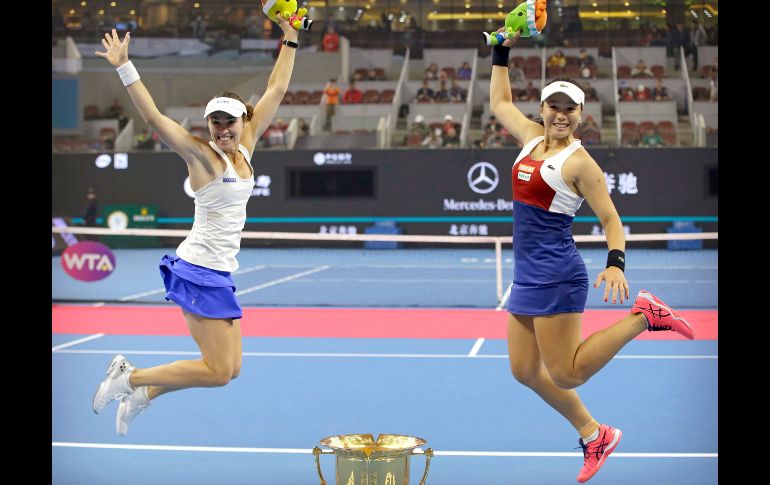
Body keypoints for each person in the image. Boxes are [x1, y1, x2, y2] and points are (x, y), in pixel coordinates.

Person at [489, 31, 695, 483]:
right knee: (524, 370)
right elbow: (500, 103)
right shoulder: (530, 138)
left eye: (570, 108)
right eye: (554, 106)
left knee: (567, 374)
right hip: (527, 274)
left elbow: (611, 220)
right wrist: (501, 49)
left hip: (557, 273)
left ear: (581, 115)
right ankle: (595, 434)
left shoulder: (581, 164)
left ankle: (644, 316)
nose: (561, 115)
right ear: (543, 109)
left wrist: (615, 263)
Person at [90, 16, 301, 436]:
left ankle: (144, 395)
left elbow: (276, 88)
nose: (222, 129)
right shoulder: (203, 157)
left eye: (229, 122)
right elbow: (154, 118)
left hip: (219, 272)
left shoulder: (246, 145)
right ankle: (129, 378)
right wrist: (124, 66)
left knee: (231, 369)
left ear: (243, 121)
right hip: (198, 270)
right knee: (218, 372)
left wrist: (291, 38)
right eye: (215, 122)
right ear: (208, 125)